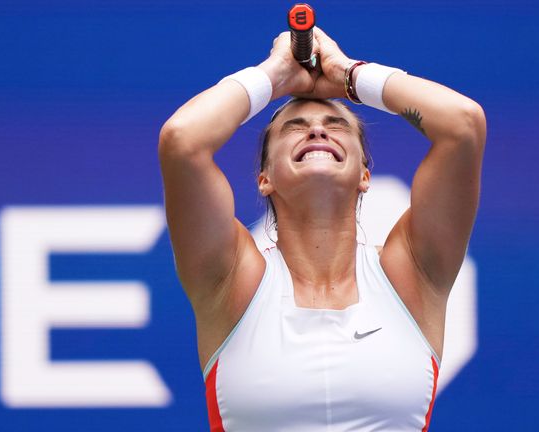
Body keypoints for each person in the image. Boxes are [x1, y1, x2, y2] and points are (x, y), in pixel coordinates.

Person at [158, 27, 486, 432]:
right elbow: (182, 140)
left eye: (337, 125)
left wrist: (348, 75)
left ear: (364, 174)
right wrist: (274, 74)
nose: (317, 130)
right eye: (294, 127)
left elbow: (463, 124)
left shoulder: (413, 273)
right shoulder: (229, 279)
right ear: (265, 178)